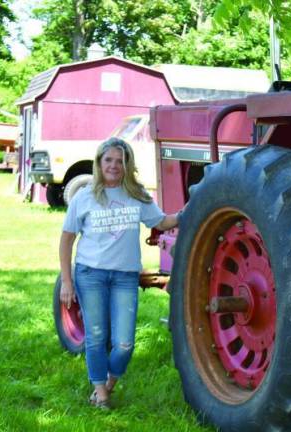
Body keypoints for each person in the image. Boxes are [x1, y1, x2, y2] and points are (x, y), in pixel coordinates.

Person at [58, 137, 182, 409]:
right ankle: (100, 392)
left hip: (125, 277)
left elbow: (161, 221)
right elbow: (66, 239)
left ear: (127, 165)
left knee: (124, 343)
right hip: (90, 274)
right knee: (96, 336)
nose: (114, 166)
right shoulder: (84, 196)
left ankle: (110, 383)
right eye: (109, 160)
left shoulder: (136, 195)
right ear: (99, 163)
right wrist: (67, 282)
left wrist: (188, 212)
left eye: (120, 161)